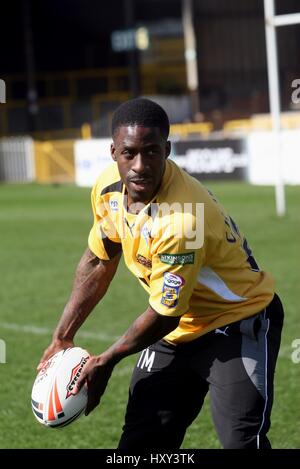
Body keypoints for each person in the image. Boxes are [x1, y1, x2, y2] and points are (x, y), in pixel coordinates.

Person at [38, 98, 284, 449]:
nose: (140, 165)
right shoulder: (108, 189)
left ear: (167, 149)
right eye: (129, 153)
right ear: (113, 152)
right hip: (176, 332)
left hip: (236, 322)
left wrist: (106, 361)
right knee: (140, 443)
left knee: (242, 442)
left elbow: (167, 313)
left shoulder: (183, 219)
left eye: (152, 152)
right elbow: (98, 260)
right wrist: (62, 336)